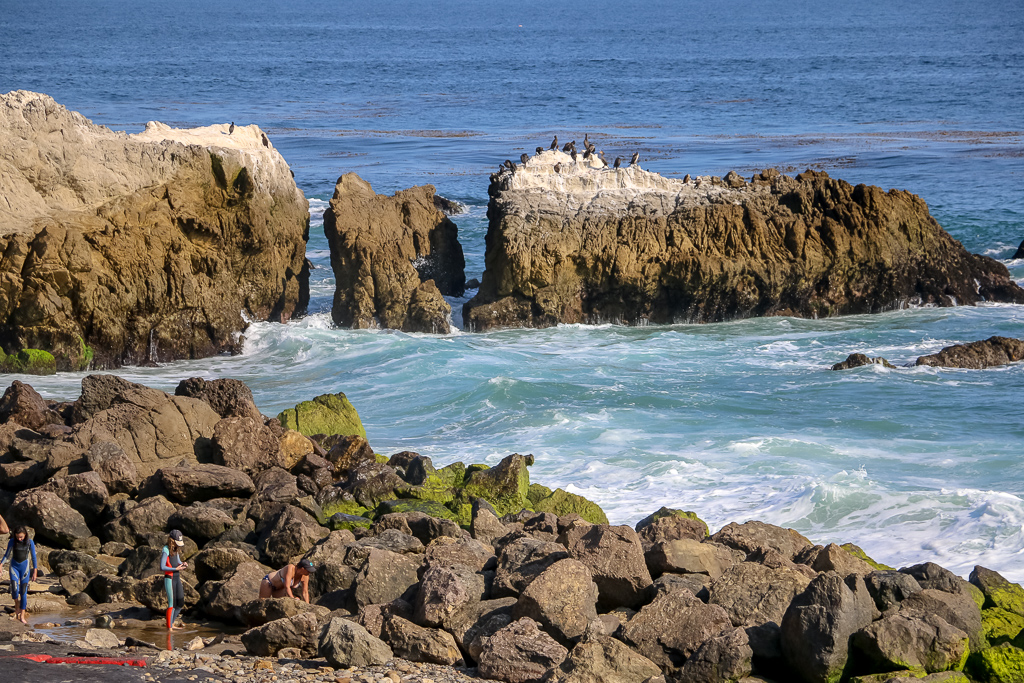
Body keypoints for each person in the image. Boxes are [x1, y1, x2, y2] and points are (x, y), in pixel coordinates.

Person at [1, 526, 38, 624]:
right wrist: (1, 564)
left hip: (24, 568)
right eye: (17, 537)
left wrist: (35, 570)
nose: (19, 539)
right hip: (14, 567)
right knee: (14, 588)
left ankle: (22, 615)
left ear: (25, 534)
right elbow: (7, 554)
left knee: (23, 592)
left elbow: (34, 557)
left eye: (21, 537)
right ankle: (16, 605)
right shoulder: (12, 541)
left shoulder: (30, 542)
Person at [161, 529, 188, 630]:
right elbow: (162, 567)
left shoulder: (176, 550)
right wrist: (175, 569)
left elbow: (177, 561)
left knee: (180, 603)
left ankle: (171, 623)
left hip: (177, 578)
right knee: (171, 604)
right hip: (169, 578)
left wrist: (183, 564)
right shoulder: (166, 550)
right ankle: (169, 628)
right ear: (172, 540)